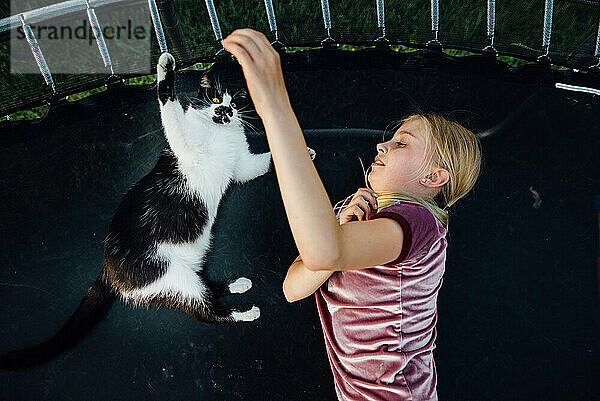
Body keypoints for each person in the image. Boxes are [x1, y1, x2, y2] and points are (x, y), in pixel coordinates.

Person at [221, 29, 482, 401]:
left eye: (402, 143)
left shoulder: (420, 225)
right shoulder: (353, 213)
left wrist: (274, 105)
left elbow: (323, 252)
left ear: (433, 177)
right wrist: (337, 236)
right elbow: (293, 288)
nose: (383, 144)